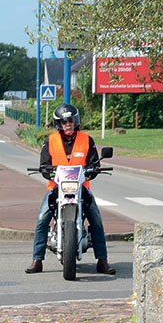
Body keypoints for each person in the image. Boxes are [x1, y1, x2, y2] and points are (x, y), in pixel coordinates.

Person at [26, 103, 115, 275]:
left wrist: (93, 170)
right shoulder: (50, 141)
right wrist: (46, 171)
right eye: (65, 121)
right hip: (57, 187)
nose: (69, 124)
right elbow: (44, 164)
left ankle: (102, 261)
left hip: (80, 187)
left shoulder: (86, 139)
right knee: (42, 218)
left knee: (96, 218)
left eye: (71, 120)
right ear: (58, 124)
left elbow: (93, 163)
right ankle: (37, 260)